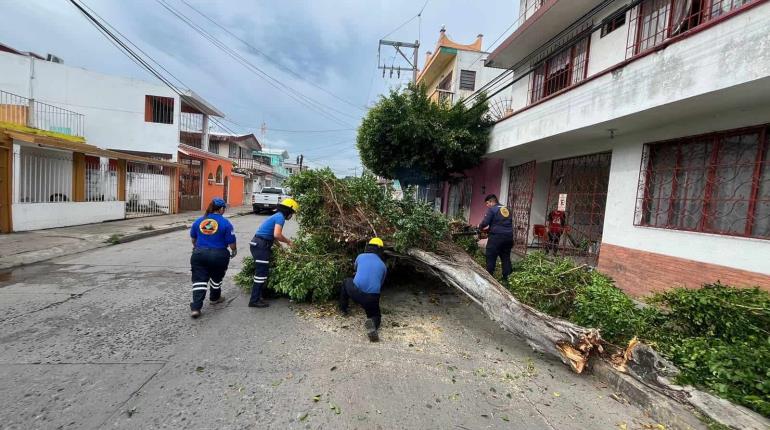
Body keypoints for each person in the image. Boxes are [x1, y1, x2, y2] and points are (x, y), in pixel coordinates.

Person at [189, 197, 237, 319]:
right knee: (216, 276)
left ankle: (196, 308)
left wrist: (197, 249)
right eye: (224, 208)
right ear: (221, 209)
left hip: (199, 254)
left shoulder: (199, 220)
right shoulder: (226, 223)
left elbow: (193, 239)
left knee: (199, 280)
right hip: (219, 255)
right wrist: (234, 250)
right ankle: (214, 298)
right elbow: (231, 243)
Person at [249, 198, 298, 308]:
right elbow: (277, 234)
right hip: (261, 246)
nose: (292, 216)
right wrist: (289, 242)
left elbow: (272, 237)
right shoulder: (280, 217)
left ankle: (259, 296)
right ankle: (254, 300)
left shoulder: (276, 216)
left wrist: (281, 248)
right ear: (288, 210)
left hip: (259, 244)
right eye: (292, 213)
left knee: (262, 272)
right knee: (261, 273)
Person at [338, 237, 388, 342]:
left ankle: (343, 309)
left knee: (346, 281)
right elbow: (380, 284)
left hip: (355, 292)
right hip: (372, 297)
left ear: (368, 247)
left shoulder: (360, 257)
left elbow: (355, 269)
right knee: (375, 315)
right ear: (380, 250)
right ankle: (372, 325)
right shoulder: (383, 266)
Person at [479, 194, 513, 281]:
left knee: (491, 256)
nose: (487, 206)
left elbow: (485, 223)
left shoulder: (492, 209)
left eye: (487, 203)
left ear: (491, 201)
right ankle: (507, 279)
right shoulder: (506, 209)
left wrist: (480, 226)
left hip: (496, 238)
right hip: (509, 237)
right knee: (505, 257)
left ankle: (489, 279)